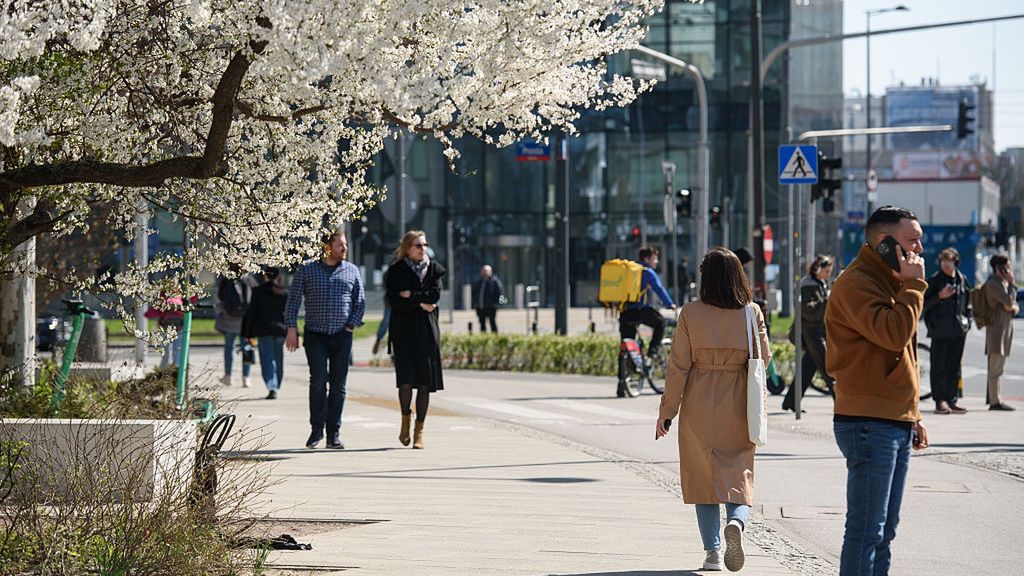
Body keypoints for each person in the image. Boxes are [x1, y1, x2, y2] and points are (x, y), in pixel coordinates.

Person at [825, 205, 930, 576]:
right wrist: (915, 285)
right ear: (885, 244)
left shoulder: (890, 279)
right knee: (866, 532)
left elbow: (905, 355)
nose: (920, 247)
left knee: (884, 532)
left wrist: (912, 413)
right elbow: (894, 334)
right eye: (912, 240)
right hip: (868, 423)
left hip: (892, 419)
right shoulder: (856, 283)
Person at [655, 247, 771, 573]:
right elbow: (764, 358)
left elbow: (677, 366)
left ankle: (713, 553)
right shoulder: (752, 312)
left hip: (699, 400)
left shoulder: (691, 313)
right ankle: (736, 521)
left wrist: (667, 412)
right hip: (739, 401)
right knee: (739, 469)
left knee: (703, 478)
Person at [285, 230, 366, 449]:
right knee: (319, 381)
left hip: (342, 335)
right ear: (327, 247)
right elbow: (293, 301)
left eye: (345, 245)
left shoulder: (352, 271)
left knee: (339, 385)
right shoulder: (307, 269)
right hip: (315, 335)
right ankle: (316, 431)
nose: (344, 249)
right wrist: (291, 328)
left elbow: (360, 303)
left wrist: (351, 325)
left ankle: (334, 434)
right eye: (340, 245)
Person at [385, 230, 446, 449]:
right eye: (418, 245)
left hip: (427, 331)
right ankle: (405, 421)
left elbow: (435, 296)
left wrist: (411, 296)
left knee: (425, 382)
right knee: (406, 381)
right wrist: (421, 302)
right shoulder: (396, 271)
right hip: (403, 331)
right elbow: (394, 300)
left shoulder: (434, 269)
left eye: (425, 245)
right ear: (408, 248)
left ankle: (419, 430)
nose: (423, 249)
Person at [782, 254, 836, 412]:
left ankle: (790, 402)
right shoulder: (808, 286)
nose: (828, 274)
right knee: (828, 368)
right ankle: (840, 402)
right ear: (818, 270)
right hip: (812, 334)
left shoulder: (819, 284)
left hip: (815, 333)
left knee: (806, 370)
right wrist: (827, 300)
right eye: (826, 271)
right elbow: (809, 312)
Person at [922, 248, 971, 414]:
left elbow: (968, 304)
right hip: (940, 330)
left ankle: (952, 399)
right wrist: (939, 297)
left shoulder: (962, 279)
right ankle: (940, 401)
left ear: (955, 262)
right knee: (939, 366)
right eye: (943, 261)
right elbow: (924, 304)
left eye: (949, 261)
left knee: (954, 366)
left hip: (958, 330)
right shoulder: (935, 280)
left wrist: (967, 322)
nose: (945, 265)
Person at [619, 246, 675, 359]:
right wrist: (669, 304)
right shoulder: (647, 271)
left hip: (625, 312)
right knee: (661, 323)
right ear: (647, 259)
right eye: (654, 258)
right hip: (641, 311)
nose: (656, 262)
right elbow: (659, 289)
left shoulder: (628, 271)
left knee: (626, 342)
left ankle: (625, 370)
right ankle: (652, 352)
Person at [242, 267, 288, 400]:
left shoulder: (258, 292)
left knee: (266, 360)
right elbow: (289, 313)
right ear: (279, 276)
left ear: (265, 276)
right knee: (278, 359)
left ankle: (272, 386)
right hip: (280, 330)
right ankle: (277, 383)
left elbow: (251, 314)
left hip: (263, 331)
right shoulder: (284, 292)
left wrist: (247, 332)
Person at [984, 254, 1017, 411]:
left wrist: (1011, 304)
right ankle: (994, 401)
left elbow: (1013, 307)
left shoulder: (1001, 284)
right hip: (997, 332)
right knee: (995, 369)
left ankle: (997, 398)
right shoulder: (993, 284)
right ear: (999, 269)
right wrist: (1012, 284)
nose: (1009, 270)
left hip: (1004, 330)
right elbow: (1010, 303)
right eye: (1006, 267)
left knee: (999, 368)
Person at [216, 271, 254, 387]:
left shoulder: (226, 279)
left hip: (229, 320)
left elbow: (220, 296)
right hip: (245, 320)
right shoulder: (248, 278)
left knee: (229, 348)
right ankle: (246, 377)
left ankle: (228, 376)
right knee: (247, 348)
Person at [471, 264, 504, 333]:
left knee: (492, 322)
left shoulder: (494, 282)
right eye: (483, 271)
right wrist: (475, 304)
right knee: (482, 323)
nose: (484, 272)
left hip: (491, 307)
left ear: (490, 272)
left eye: (486, 271)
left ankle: (495, 337)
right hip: (480, 307)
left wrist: (498, 303)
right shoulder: (479, 282)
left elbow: (500, 293)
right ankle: (483, 338)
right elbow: (474, 293)